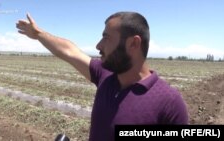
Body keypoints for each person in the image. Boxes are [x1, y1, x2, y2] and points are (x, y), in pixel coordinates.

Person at [16, 11, 189, 141]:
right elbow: (70, 51)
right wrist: (38, 34)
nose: (98, 45)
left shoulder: (169, 103)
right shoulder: (105, 76)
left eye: (106, 38)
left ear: (133, 44)